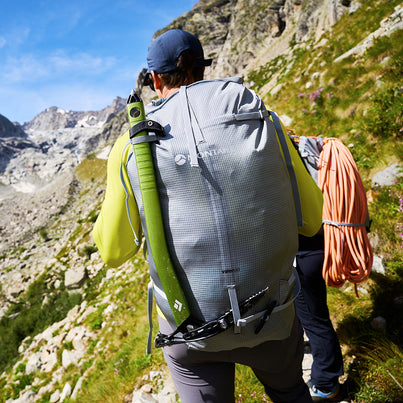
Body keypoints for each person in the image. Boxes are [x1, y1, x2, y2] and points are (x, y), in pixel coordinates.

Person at [93, 29, 324, 403]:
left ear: (154, 79)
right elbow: (312, 219)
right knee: (290, 393)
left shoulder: (131, 144)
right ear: (203, 69)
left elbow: (113, 252)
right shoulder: (259, 115)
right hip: (272, 317)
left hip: (191, 333)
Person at [294, 231, 344, 401]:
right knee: (314, 316)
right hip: (316, 249)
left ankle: (325, 384)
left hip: (302, 258)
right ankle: (326, 379)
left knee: (315, 321)